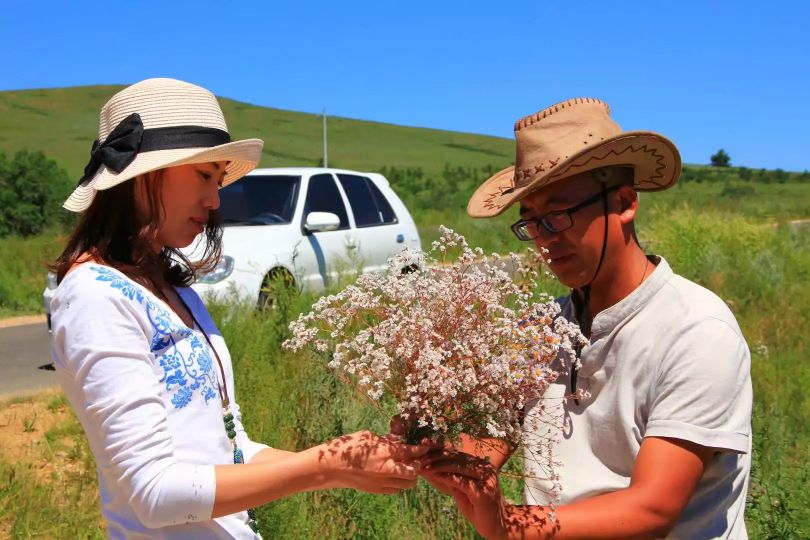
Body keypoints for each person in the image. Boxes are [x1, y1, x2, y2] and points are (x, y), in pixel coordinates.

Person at [49, 78, 427, 539]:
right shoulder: (94, 296)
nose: (215, 201)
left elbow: (230, 447)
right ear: (146, 175)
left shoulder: (174, 291)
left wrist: (352, 464)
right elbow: (154, 493)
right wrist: (325, 465)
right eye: (204, 175)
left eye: (219, 180)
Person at [419, 98, 752, 539]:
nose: (544, 240)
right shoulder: (540, 330)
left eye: (558, 216)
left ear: (624, 203)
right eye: (531, 223)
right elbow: (485, 449)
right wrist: (424, 448)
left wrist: (509, 526)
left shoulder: (696, 331)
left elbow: (653, 509)